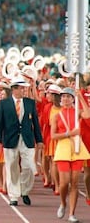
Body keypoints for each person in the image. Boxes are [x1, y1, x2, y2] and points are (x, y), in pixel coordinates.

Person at [0, 76, 44, 206]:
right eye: (21, 88)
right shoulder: (4, 104)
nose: (24, 90)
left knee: (28, 166)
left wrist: (39, 140)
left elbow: (35, 123)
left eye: (24, 88)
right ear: (14, 89)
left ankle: (25, 190)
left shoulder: (30, 103)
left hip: (27, 139)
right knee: (12, 167)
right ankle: (14, 196)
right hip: (10, 139)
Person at [51, 87, 90, 222]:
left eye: (68, 96)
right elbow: (53, 136)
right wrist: (69, 133)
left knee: (74, 183)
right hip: (63, 147)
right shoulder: (56, 115)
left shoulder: (76, 112)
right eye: (63, 96)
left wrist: (81, 97)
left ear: (72, 99)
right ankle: (63, 203)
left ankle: (71, 214)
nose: (65, 99)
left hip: (77, 148)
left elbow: (88, 114)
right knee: (64, 183)